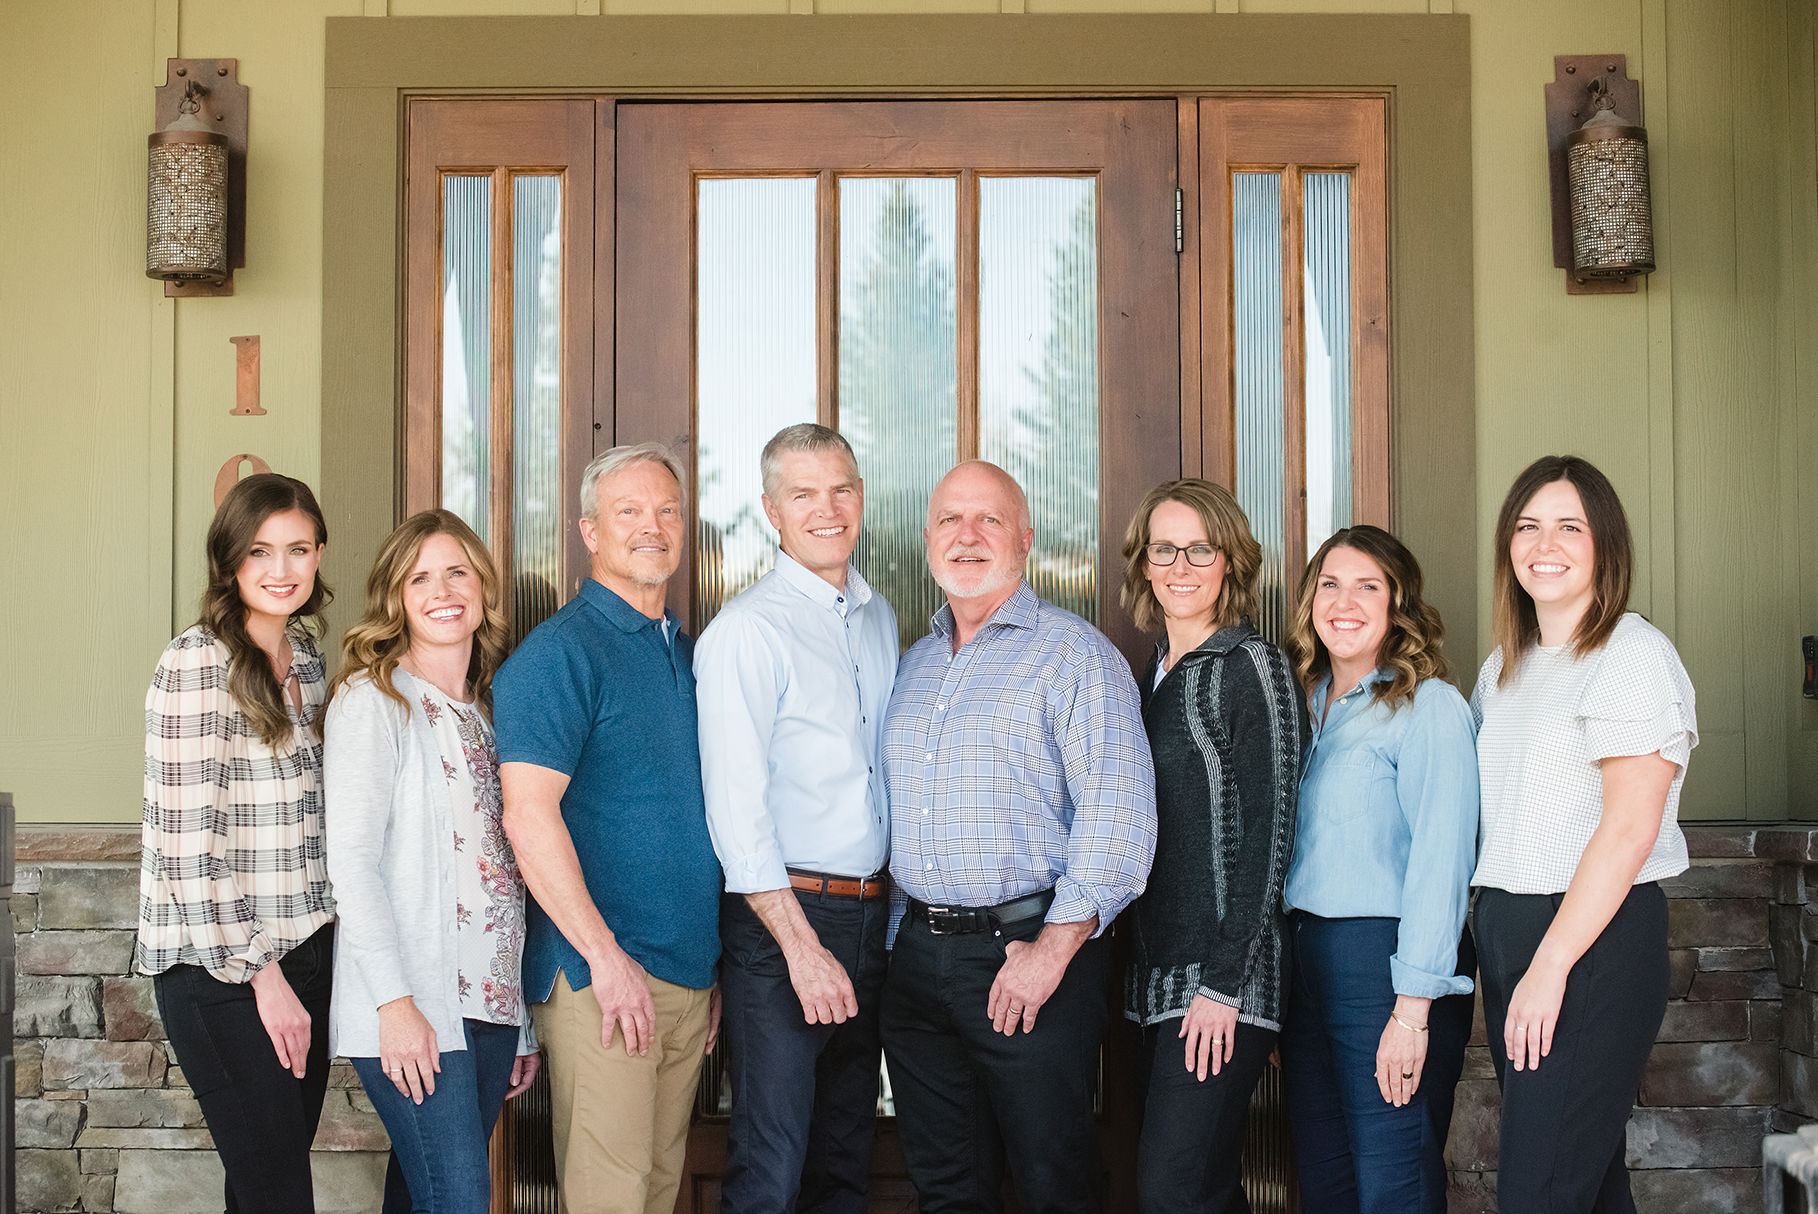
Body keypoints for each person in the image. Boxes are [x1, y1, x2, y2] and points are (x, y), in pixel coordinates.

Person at [881, 460, 1156, 1214]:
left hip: (1031, 953)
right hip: (918, 963)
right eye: (949, 520)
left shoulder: (1074, 656)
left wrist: (1052, 953)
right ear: (927, 540)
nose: (966, 536)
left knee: (1052, 1180)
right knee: (945, 1185)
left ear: (1025, 539)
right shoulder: (912, 664)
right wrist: (899, 942)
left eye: (989, 520)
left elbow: (1119, 819)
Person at [495, 444, 723, 1214]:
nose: (651, 527)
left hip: (686, 974)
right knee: (611, 1200)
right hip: (605, 976)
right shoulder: (560, 655)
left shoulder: (687, 656)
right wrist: (605, 959)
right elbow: (527, 815)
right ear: (589, 532)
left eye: (666, 510)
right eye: (629, 511)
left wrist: (710, 965)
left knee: (656, 1192)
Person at [1471, 455, 1696, 1213]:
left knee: (1539, 1191)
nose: (1546, 543)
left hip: (1589, 940)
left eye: (1571, 526)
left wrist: (1550, 963)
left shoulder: (1631, 654)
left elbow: (1629, 828)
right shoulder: (1505, 665)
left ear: (1606, 545)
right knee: (1586, 1182)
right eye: (1528, 526)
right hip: (1511, 931)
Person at [695, 424, 898, 1214]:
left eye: (841, 488)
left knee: (843, 1154)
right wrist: (800, 946)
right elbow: (736, 812)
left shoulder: (878, 619)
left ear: (860, 498)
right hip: (783, 921)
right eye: (803, 494)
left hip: (869, 915)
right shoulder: (748, 631)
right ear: (771, 511)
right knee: (771, 1163)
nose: (827, 508)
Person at [324, 510, 542, 1214]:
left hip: (489, 1005)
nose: (442, 590)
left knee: (422, 1197)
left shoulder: (489, 709)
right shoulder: (374, 700)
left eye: (457, 572)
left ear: (481, 586)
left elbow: (506, 875)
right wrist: (394, 1005)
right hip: (415, 1006)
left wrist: (522, 1023)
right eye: (420, 577)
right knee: (458, 1199)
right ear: (397, 596)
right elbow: (351, 863)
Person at [135, 472, 336, 1214]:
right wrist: (266, 979)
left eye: (298, 549)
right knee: (278, 1194)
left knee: (263, 1187)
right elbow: (189, 848)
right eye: (260, 552)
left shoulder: (308, 663)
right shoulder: (197, 664)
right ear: (230, 561)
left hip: (311, 950)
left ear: (319, 556)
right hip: (223, 973)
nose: (281, 570)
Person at [1116, 478, 1307, 1214]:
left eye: (1201, 547)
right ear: (1143, 563)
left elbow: (1273, 828)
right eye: (1165, 547)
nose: (1181, 564)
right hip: (1153, 983)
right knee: (1203, 1190)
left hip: (1225, 980)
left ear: (1230, 561)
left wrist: (1225, 982)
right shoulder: (1151, 673)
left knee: (1173, 1189)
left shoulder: (1249, 665)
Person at [1278, 525, 1478, 1214]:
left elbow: (1441, 860)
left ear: (1398, 605)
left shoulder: (1429, 707)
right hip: (1305, 965)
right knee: (1327, 1182)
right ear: (1309, 601)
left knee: (1391, 1183)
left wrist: (1413, 1011)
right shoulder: (1298, 710)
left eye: (1368, 586)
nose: (1345, 601)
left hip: (1386, 966)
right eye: (1329, 584)